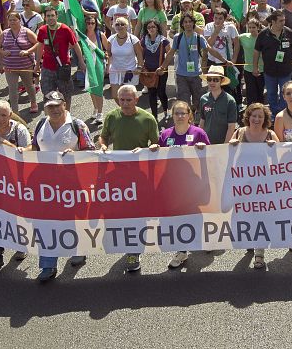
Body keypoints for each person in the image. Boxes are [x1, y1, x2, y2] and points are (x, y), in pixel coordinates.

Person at [14, 93, 94, 281]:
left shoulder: (78, 126)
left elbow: (91, 151)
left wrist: (74, 154)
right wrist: (21, 150)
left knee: (74, 219)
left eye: (58, 106)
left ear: (64, 105)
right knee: (46, 223)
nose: (55, 110)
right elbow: (34, 147)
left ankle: (79, 250)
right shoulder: (42, 124)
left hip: (71, 184)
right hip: (45, 184)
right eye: (51, 107)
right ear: (45, 108)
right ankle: (48, 266)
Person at [98, 84, 159, 272]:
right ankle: (126, 244)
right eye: (121, 100)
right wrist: (103, 146)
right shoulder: (111, 117)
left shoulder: (148, 119)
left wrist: (148, 150)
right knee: (121, 213)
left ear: (137, 99)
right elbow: (103, 137)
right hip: (118, 175)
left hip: (139, 176)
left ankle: (134, 251)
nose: (124, 104)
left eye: (128, 100)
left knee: (137, 215)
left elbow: (156, 145)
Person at [159, 100, 209, 270]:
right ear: (172, 116)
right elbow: (158, 159)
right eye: (176, 113)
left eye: (183, 113)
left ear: (190, 115)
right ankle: (182, 251)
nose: (180, 116)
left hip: (193, 185)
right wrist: (151, 149)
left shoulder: (199, 133)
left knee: (196, 216)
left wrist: (204, 149)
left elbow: (212, 156)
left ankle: (205, 240)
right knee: (178, 220)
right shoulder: (165, 135)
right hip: (173, 186)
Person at [157, 13, 224, 111]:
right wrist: (162, 67)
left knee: (197, 102)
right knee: (184, 103)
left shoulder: (199, 38)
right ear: (182, 24)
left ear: (193, 23)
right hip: (181, 75)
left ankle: (195, 118)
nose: (188, 24)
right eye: (185, 22)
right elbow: (171, 53)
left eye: (190, 22)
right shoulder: (177, 37)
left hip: (196, 75)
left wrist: (224, 60)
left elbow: (210, 50)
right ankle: (188, 122)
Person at [254, 10, 292, 117]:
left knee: (284, 94)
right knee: (271, 94)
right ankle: (273, 113)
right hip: (269, 72)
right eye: (281, 21)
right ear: (273, 21)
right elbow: (256, 51)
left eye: (284, 20)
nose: (283, 23)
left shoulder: (289, 32)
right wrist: (255, 67)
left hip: (285, 71)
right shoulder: (263, 34)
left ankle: (282, 114)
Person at [35, 6, 85, 105]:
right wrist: (37, 64)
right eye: (48, 16)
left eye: (52, 15)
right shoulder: (42, 30)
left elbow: (76, 46)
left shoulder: (65, 29)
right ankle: (49, 118)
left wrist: (81, 62)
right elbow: (40, 47)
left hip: (63, 67)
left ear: (57, 16)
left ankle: (67, 116)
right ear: (45, 18)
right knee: (47, 95)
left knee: (66, 95)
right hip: (47, 68)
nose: (50, 18)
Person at [0, 12, 39, 114]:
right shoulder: (4, 33)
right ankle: (15, 111)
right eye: (10, 20)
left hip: (25, 66)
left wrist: (27, 51)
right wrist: (3, 52)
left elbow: (38, 43)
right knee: (12, 89)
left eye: (14, 20)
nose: (12, 22)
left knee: (29, 86)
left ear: (19, 20)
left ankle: (33, 102)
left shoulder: (26, 32)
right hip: (10, 67)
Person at [197, 65, 239, 145]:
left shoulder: (230, 100)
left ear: (221, 81)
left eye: (215, 80)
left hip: (222, 144)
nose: (212, 82)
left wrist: (225, 145)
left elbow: (231, 126)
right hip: (206, 143)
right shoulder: (203, 98)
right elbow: (202, 121)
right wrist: (201, 140)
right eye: (209, 79)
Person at [107, 17, 142, 100]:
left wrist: (139, 67)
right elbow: (108, 53)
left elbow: (139, 54)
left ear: (127, 26)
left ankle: (129, 111)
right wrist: (106, 56)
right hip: (115, 70)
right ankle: (125, 110)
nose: (119, 26)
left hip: (130, 71)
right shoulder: (111, 39)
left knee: (129, 97)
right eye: (117, 24)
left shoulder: (133, 39)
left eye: (122, 24)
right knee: (115, 96)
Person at [140, 20, 169, 120]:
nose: (151, 29)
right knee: (152, 94)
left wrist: (163, 68)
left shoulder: (164, 40)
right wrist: (142, 68)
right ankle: (154, 117)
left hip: (161, 71)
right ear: (146, 29)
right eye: (149, 27)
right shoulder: (144, 40)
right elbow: (141, 56)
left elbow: (169, 56)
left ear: (157, 28)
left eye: (153, 27)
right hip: (149, 72)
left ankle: (165, 110)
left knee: (161, 92)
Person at [239, 17, 265, 105]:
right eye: (249, 27)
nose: (251, 29)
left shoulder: (263, 37)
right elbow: (233, 39)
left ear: (258, 27)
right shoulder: (243, 37)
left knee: (260, 93)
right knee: (250, 93)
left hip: (262, 69)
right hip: (248, 69)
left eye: (253, 27)